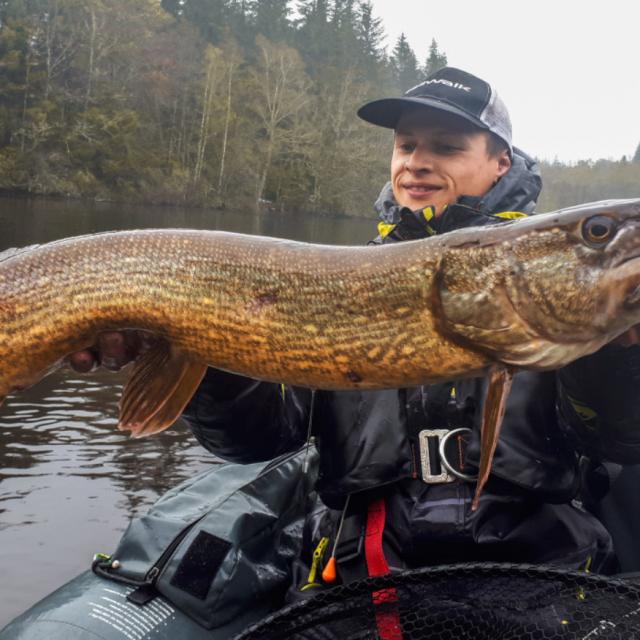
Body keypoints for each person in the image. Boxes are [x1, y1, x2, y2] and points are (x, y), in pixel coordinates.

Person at [69, 67, 640, 597]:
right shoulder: (344, 274)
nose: (417, 161)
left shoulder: (563, 292)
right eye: (406, 145)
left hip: (532, 561)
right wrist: (203, 347)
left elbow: (619, 443)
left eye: (446, 147)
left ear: (501, 164)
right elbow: (258, 442)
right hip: (365, 563)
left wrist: (621, 356)